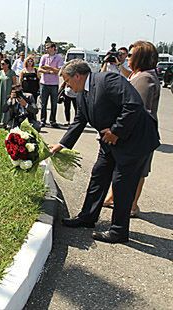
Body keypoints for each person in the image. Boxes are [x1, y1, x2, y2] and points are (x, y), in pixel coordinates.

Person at [50, 59, 160, 244]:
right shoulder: (81, 94)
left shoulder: (107, 80)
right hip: (110, 142)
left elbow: (133, 104)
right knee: (98, 175)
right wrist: (61, 145)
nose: (66, 85)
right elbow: (79, 121)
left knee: (121, 184)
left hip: (134, 141)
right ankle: (87, 217)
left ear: (77, 76)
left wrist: (116, 131)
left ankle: (118, 231)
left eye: (67, 80)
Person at [103, 41, 161, 217]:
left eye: (130, 55)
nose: (127, 58)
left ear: (140, 58)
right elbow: (129, 77)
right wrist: (119, 66)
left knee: (137, 171)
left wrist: (119, 130)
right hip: (136, 132)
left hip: (139, 134)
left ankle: (132, 205)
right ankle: (114, 198)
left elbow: (137, 108)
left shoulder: (145, 78)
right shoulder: (141, 74)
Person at [38, 42, 64, 128]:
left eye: (48, 47)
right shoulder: (44, 57)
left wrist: (48, 67)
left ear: (53, 48)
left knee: (54, 104)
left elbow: (59, 71)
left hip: (54, 84)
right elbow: (40, 69)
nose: (46, 49)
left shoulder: (59, 58)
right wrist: (49, 71)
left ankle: (53, 121)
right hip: (44, 83)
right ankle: (43, 120)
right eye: (46, 48)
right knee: (43, 104)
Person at [0, 58, 17, 125]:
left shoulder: (12, 73)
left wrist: (13, 93)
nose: (1, 65)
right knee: (0, 105)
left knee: (7, 106)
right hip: (0, 92)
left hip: (8, 93)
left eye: (3, 64)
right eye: (1, 64)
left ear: (8, 65)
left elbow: (14, 84)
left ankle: (7, 122)